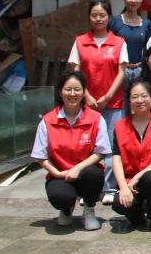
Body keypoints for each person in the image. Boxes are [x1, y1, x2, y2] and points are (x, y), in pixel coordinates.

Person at [31, 71, 111, 230]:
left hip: (86, 173)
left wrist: (77, 169)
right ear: (60, 92)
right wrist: (56, 173)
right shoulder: (48, 120)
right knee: (59, 196)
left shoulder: (95, 118)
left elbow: (101, 152)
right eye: (68, 89)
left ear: (84, 92)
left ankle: (89, 209)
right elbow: (40, 156)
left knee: (93, 174)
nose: (72, 94)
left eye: (77, 89)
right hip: (60, 174)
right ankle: (66, 210)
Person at [68, 0, 128, 202]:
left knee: (110, 146)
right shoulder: (79, 41)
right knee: (85, 146)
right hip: (86, 103)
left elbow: (121, 72)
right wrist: (87, 96)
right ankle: (87, 189)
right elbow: (76, 72)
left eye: (102, 15)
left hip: (113, 103)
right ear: (89, 17)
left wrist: (107, 96)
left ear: (109, 17)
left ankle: (109, 188)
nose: (98, 19)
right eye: (94, 15)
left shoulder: (119, 42)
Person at [110, 81, 151, 231]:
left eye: (144, 96)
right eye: (135, 97)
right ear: (129, 101)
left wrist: (138, 177)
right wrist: (123, 187)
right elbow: (116, 159)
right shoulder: (120, 126)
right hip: (130, 181)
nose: (140, 100)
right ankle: (138, 216)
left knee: (150, 179)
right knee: (118, 203)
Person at [108, 0, 151, 69]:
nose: (133, 0)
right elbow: (108, 48)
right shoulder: (115, 22)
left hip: (139, 70)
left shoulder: (147, 24)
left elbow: (149, 51)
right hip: (118, 69)